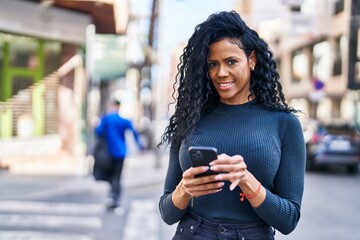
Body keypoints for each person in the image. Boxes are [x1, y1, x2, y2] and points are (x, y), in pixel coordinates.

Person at [158, 11, 306, 239]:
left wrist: (247, 181)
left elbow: (288, 220)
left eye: (231, 61)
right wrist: (184, 190)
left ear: (252, 60)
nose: (221, 72)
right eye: (212, 64)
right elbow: (168, 214)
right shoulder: (189, 117)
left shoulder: (284, 124)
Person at [94, 99, 144, 209]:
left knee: (111, 176)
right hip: (121, 153)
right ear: (119, 107)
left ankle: (111, 197)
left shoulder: (107, 118)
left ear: (113, 105)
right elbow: (134, 132)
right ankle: (114, 198)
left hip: (109, 153)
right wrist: (140, 146)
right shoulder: (124, 120)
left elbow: (98, 131)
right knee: (117, 176)